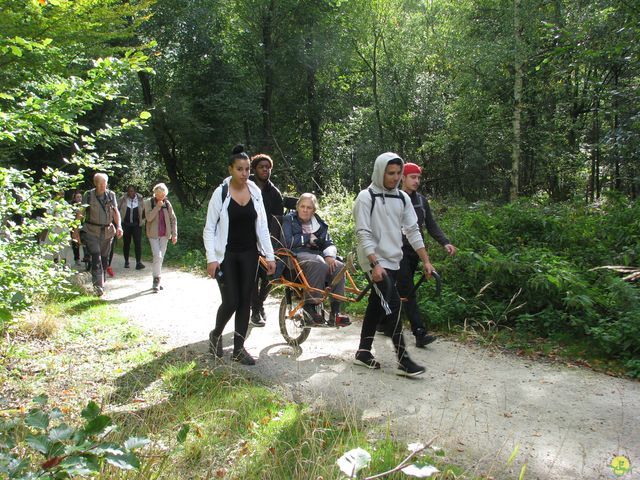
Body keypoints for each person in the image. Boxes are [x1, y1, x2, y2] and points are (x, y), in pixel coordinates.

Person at [352, 152, 435, 377]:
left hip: (394, 259)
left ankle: (363, 352)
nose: (395, 177)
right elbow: (363, 233)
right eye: (391, 173)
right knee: (393, 307)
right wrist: (375, 264)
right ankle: (404, 361)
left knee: (376, 305)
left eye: (398, 173)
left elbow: (413, 231)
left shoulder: (402, 198)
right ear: (380, 172)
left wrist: (426, 260)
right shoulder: (366, 197)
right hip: (373, 260)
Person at [203, 145, 276, 365]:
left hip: (249, 254)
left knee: (245, 301)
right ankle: (216, 334)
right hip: (226, 255)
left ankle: (238, 348)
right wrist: (211, 259)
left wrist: (269, 256)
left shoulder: (255, 192)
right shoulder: (221, 192)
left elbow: (262, 226)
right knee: (231, 301)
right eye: (239, 169)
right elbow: (209, 228)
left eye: (247, 169)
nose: (244, 174)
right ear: (231, 169)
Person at [398, 162, 457, 347]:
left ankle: (383, 322)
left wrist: (445, 242)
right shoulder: (394, 199)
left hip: (415, 251)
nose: (417, 181)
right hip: (396, 252)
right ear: (403, 178)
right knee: (407, 290)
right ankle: (419, 333)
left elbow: (431, 225)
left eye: (419, 177)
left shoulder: (422, 201)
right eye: (412, 177)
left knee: (398, 290)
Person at [282, 193, 349, 326]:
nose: (305, 210)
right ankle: (309, 308)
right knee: (318, 262)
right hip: (294, 257)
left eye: (309, 207)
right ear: (297, 207)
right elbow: (287, 241)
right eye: (302, 206)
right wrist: (307, 238)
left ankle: (335, 313)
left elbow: (328, 242)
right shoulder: (288, 220)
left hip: (317, 256)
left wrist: (329, 256)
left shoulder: (319, 224)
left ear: (314, 210)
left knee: (339, 266)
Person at [249, 153, 283, 327]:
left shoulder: (274, 193)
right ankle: (255, 311)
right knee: (253, 276)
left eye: (268, 167)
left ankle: (259, 303)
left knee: (270, 275)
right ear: (254, 168)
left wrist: (273, 244)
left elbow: (277, 220)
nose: (265, 169)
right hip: (247, 240)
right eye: (261, 166)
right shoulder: (246, 188)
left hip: (268, 241)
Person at [78, 173, 123, 296]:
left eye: (105, 183)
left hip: (107, 232)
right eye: (101, 183)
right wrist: (76, 231)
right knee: (96, 256)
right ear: (95, 183)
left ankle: (101, 281)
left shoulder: (111, 195)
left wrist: (119, 226)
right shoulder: (88, 195)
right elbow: (81, 213)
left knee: (104, 259)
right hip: (91, 230)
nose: (103, 186)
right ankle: (98, 287)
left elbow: (115, 212)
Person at [143, 183, 177, 293]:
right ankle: (156, 280)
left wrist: (174, 234)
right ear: (155, 194)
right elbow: (148, 218)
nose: (161, 197)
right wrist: (157, 206)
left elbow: (173, 219)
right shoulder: (149, 202)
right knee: (157, 255)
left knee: (160, 258)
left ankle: (157, 278)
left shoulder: (167, 203)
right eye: (158, 195)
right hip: (153, 234)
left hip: (165, 235)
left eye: (163, 195)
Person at [118, 185, 146, 270]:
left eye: (132, 191)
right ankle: (126, 261)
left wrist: (143, 221)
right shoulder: (123, 199)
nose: (131, 193)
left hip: (136, 225)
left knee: (138, 243)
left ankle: (138, 262)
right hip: (126, 224)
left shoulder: (140, 199)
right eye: (129, 191)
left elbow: (144, 212)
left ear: (135, 191)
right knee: (126, 243)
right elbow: (117, 210)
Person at [70, 191, 84, 266]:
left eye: (80, 197)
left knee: (84, 241)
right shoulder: (72, 207)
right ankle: (77, 258)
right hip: (74, 226)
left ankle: (86, 257)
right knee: (75, 243)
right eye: (77, 197)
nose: (79, 198)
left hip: (83, 226)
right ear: (74, 198)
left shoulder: (84, 206)